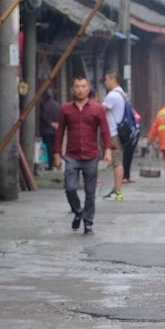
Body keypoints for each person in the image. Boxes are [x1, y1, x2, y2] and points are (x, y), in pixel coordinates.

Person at [53, 75, 112, 234]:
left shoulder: (97, 108)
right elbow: (60, 132)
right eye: (77, 87)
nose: (80, 90)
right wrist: (57, 154)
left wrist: (107, 150)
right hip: (72, 155)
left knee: (90, 192)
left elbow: (105, 131)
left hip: (91, 155)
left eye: (83, 86)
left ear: (88, 88)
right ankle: (78, 211)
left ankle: (88, 223)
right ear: (72, 89)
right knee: (70, 188)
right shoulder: (66, 109)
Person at [101, 70, 129, 200]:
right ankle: (116, 190)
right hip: (118, 131)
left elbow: (100, 111)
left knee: (117, 162)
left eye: (106, 79)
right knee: (118, 162)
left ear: (113, 79)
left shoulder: (112, 95)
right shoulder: (122, 93)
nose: (105, 82)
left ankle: (117, 192)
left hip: (113, 132)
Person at [39, 89, 61, 168]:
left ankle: (50, 164)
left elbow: (43, 116)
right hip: (56, 129)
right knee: (54, 146)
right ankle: (55, 162)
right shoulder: (57, 105)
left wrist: (50, 123)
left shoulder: (44, 105)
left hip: (47, 129)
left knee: (48, 147)